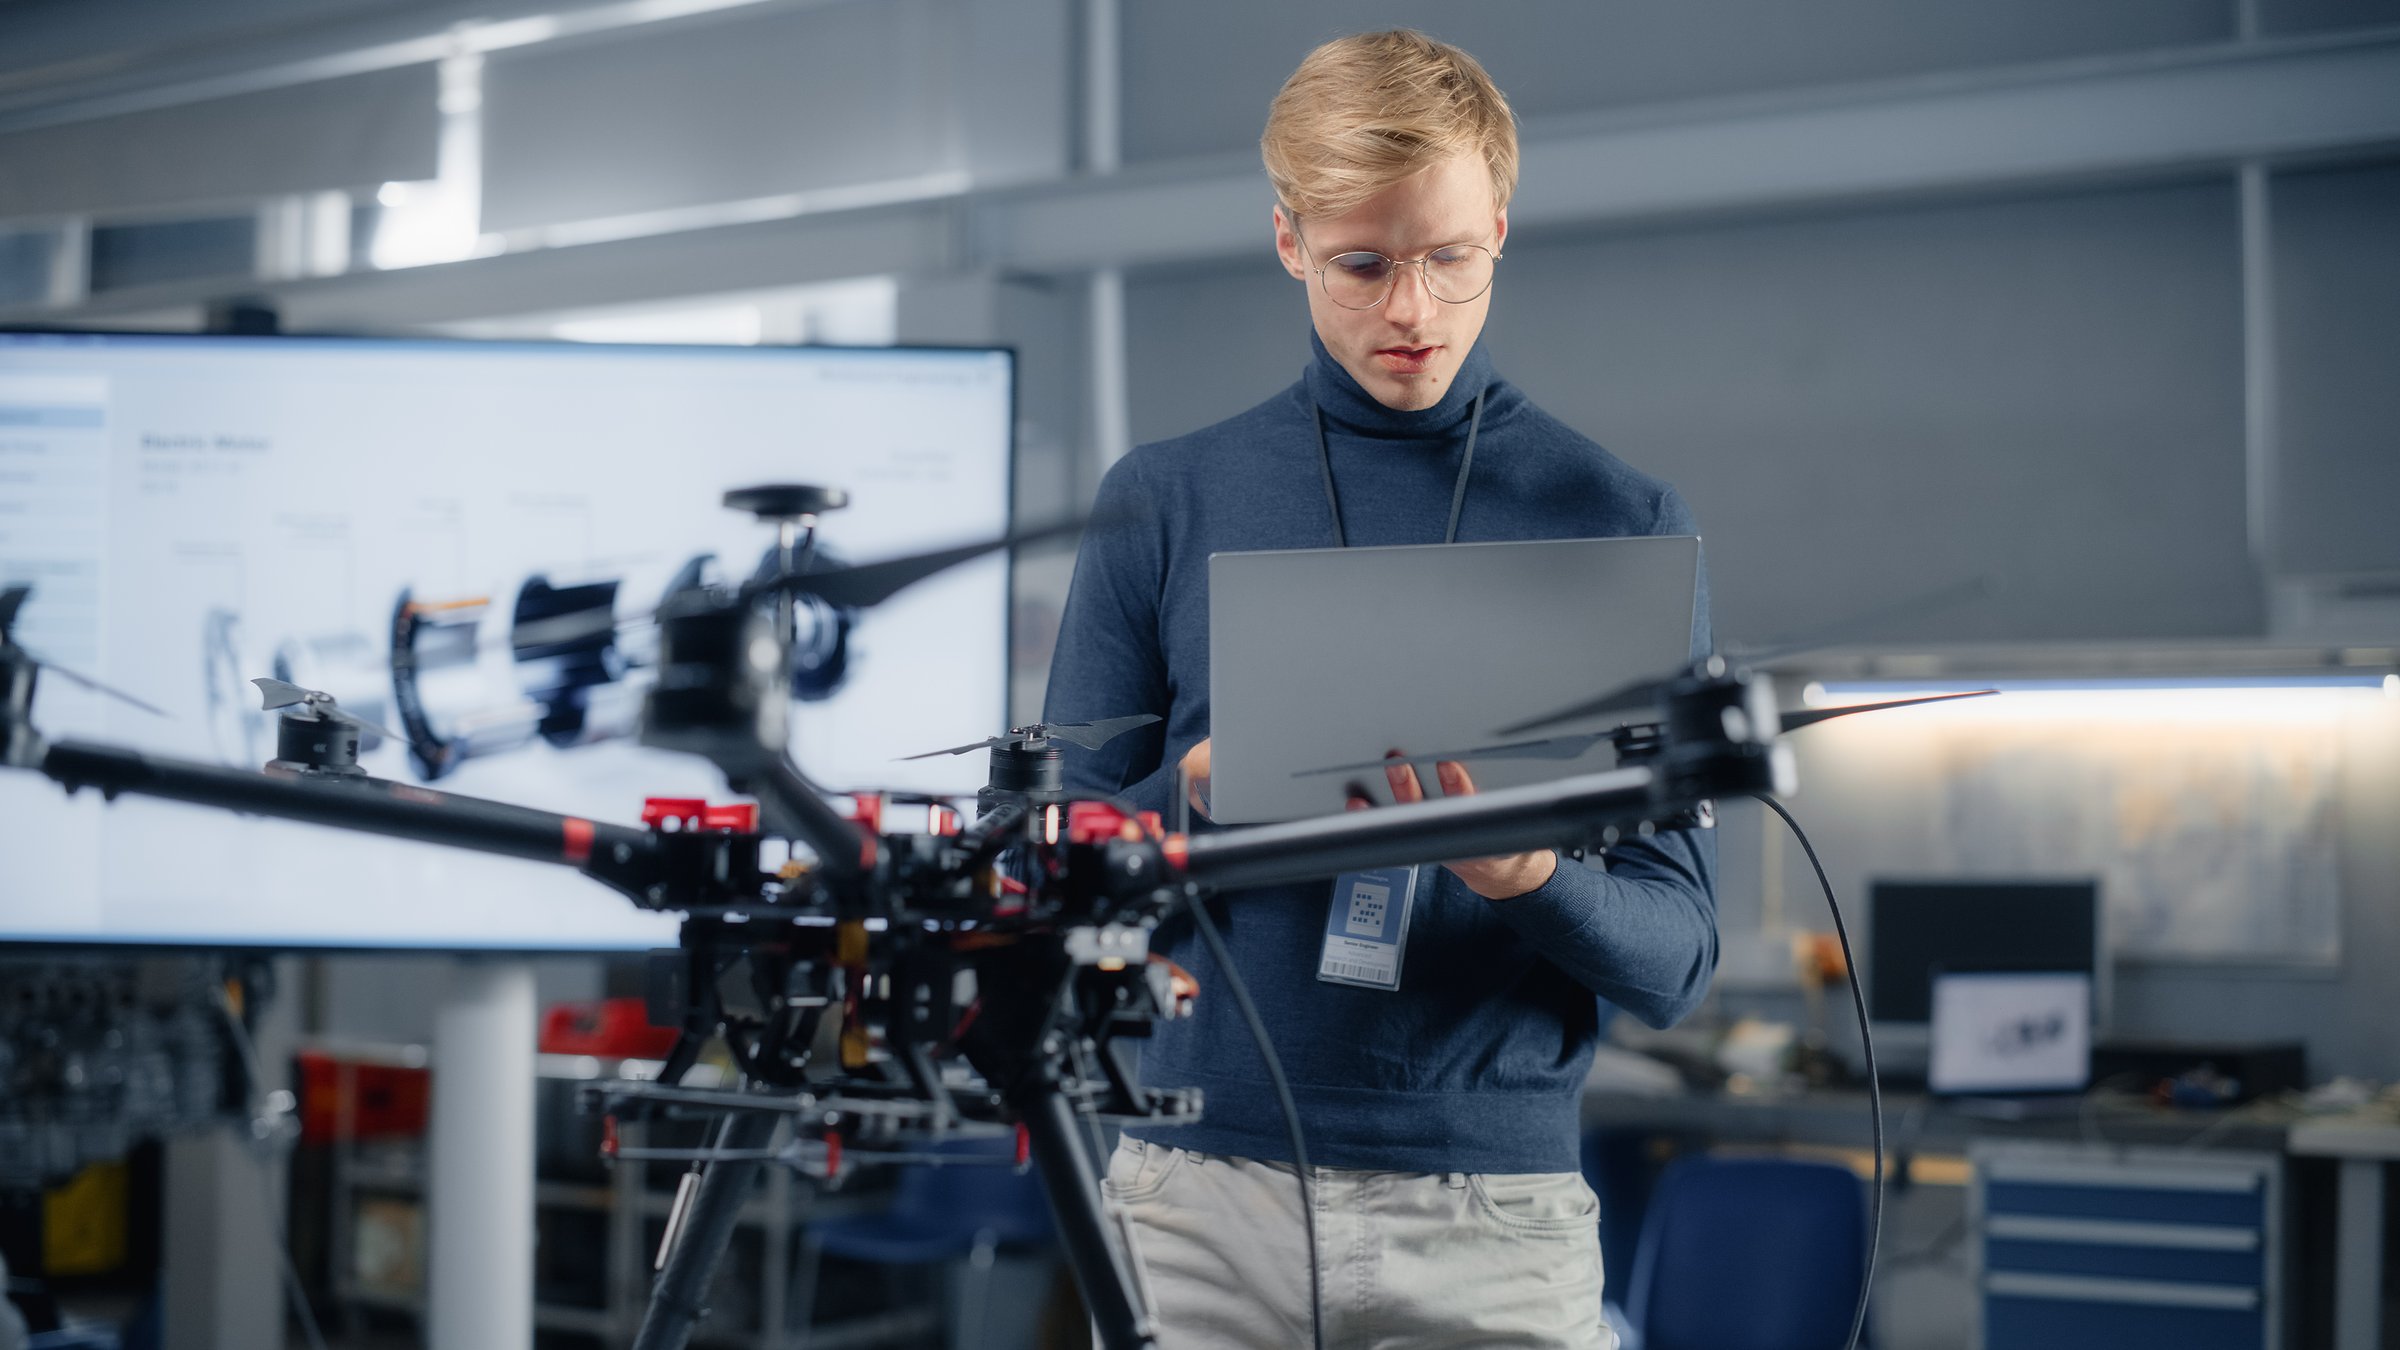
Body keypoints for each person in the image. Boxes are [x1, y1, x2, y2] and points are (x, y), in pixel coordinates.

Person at [1042, 29, 1717, 1348]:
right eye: (1363, 263)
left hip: (1493, 1222)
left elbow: (1678, 960)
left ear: (1502, 231)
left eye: (1450, 257)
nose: (1412, 309)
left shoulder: (1616, 520)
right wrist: (1192, 797)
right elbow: (1043, 872)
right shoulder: (1167, 501)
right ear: (1290, 240)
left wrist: (1534, 878)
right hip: (1196, 1206)